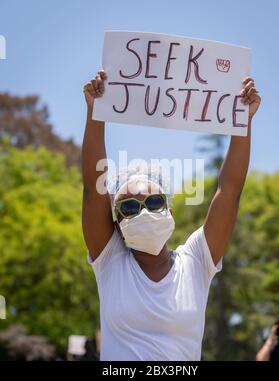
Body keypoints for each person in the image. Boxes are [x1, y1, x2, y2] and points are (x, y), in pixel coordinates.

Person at [82, 69, 261, 361]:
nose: (143, 212)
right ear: (117, 222)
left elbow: (229, 192)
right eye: (129, 207)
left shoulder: (196, 261)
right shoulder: (110, 260)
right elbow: (93, 187)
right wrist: (96, 112)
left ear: (169, 209)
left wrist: (244, 121)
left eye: (153, 202)